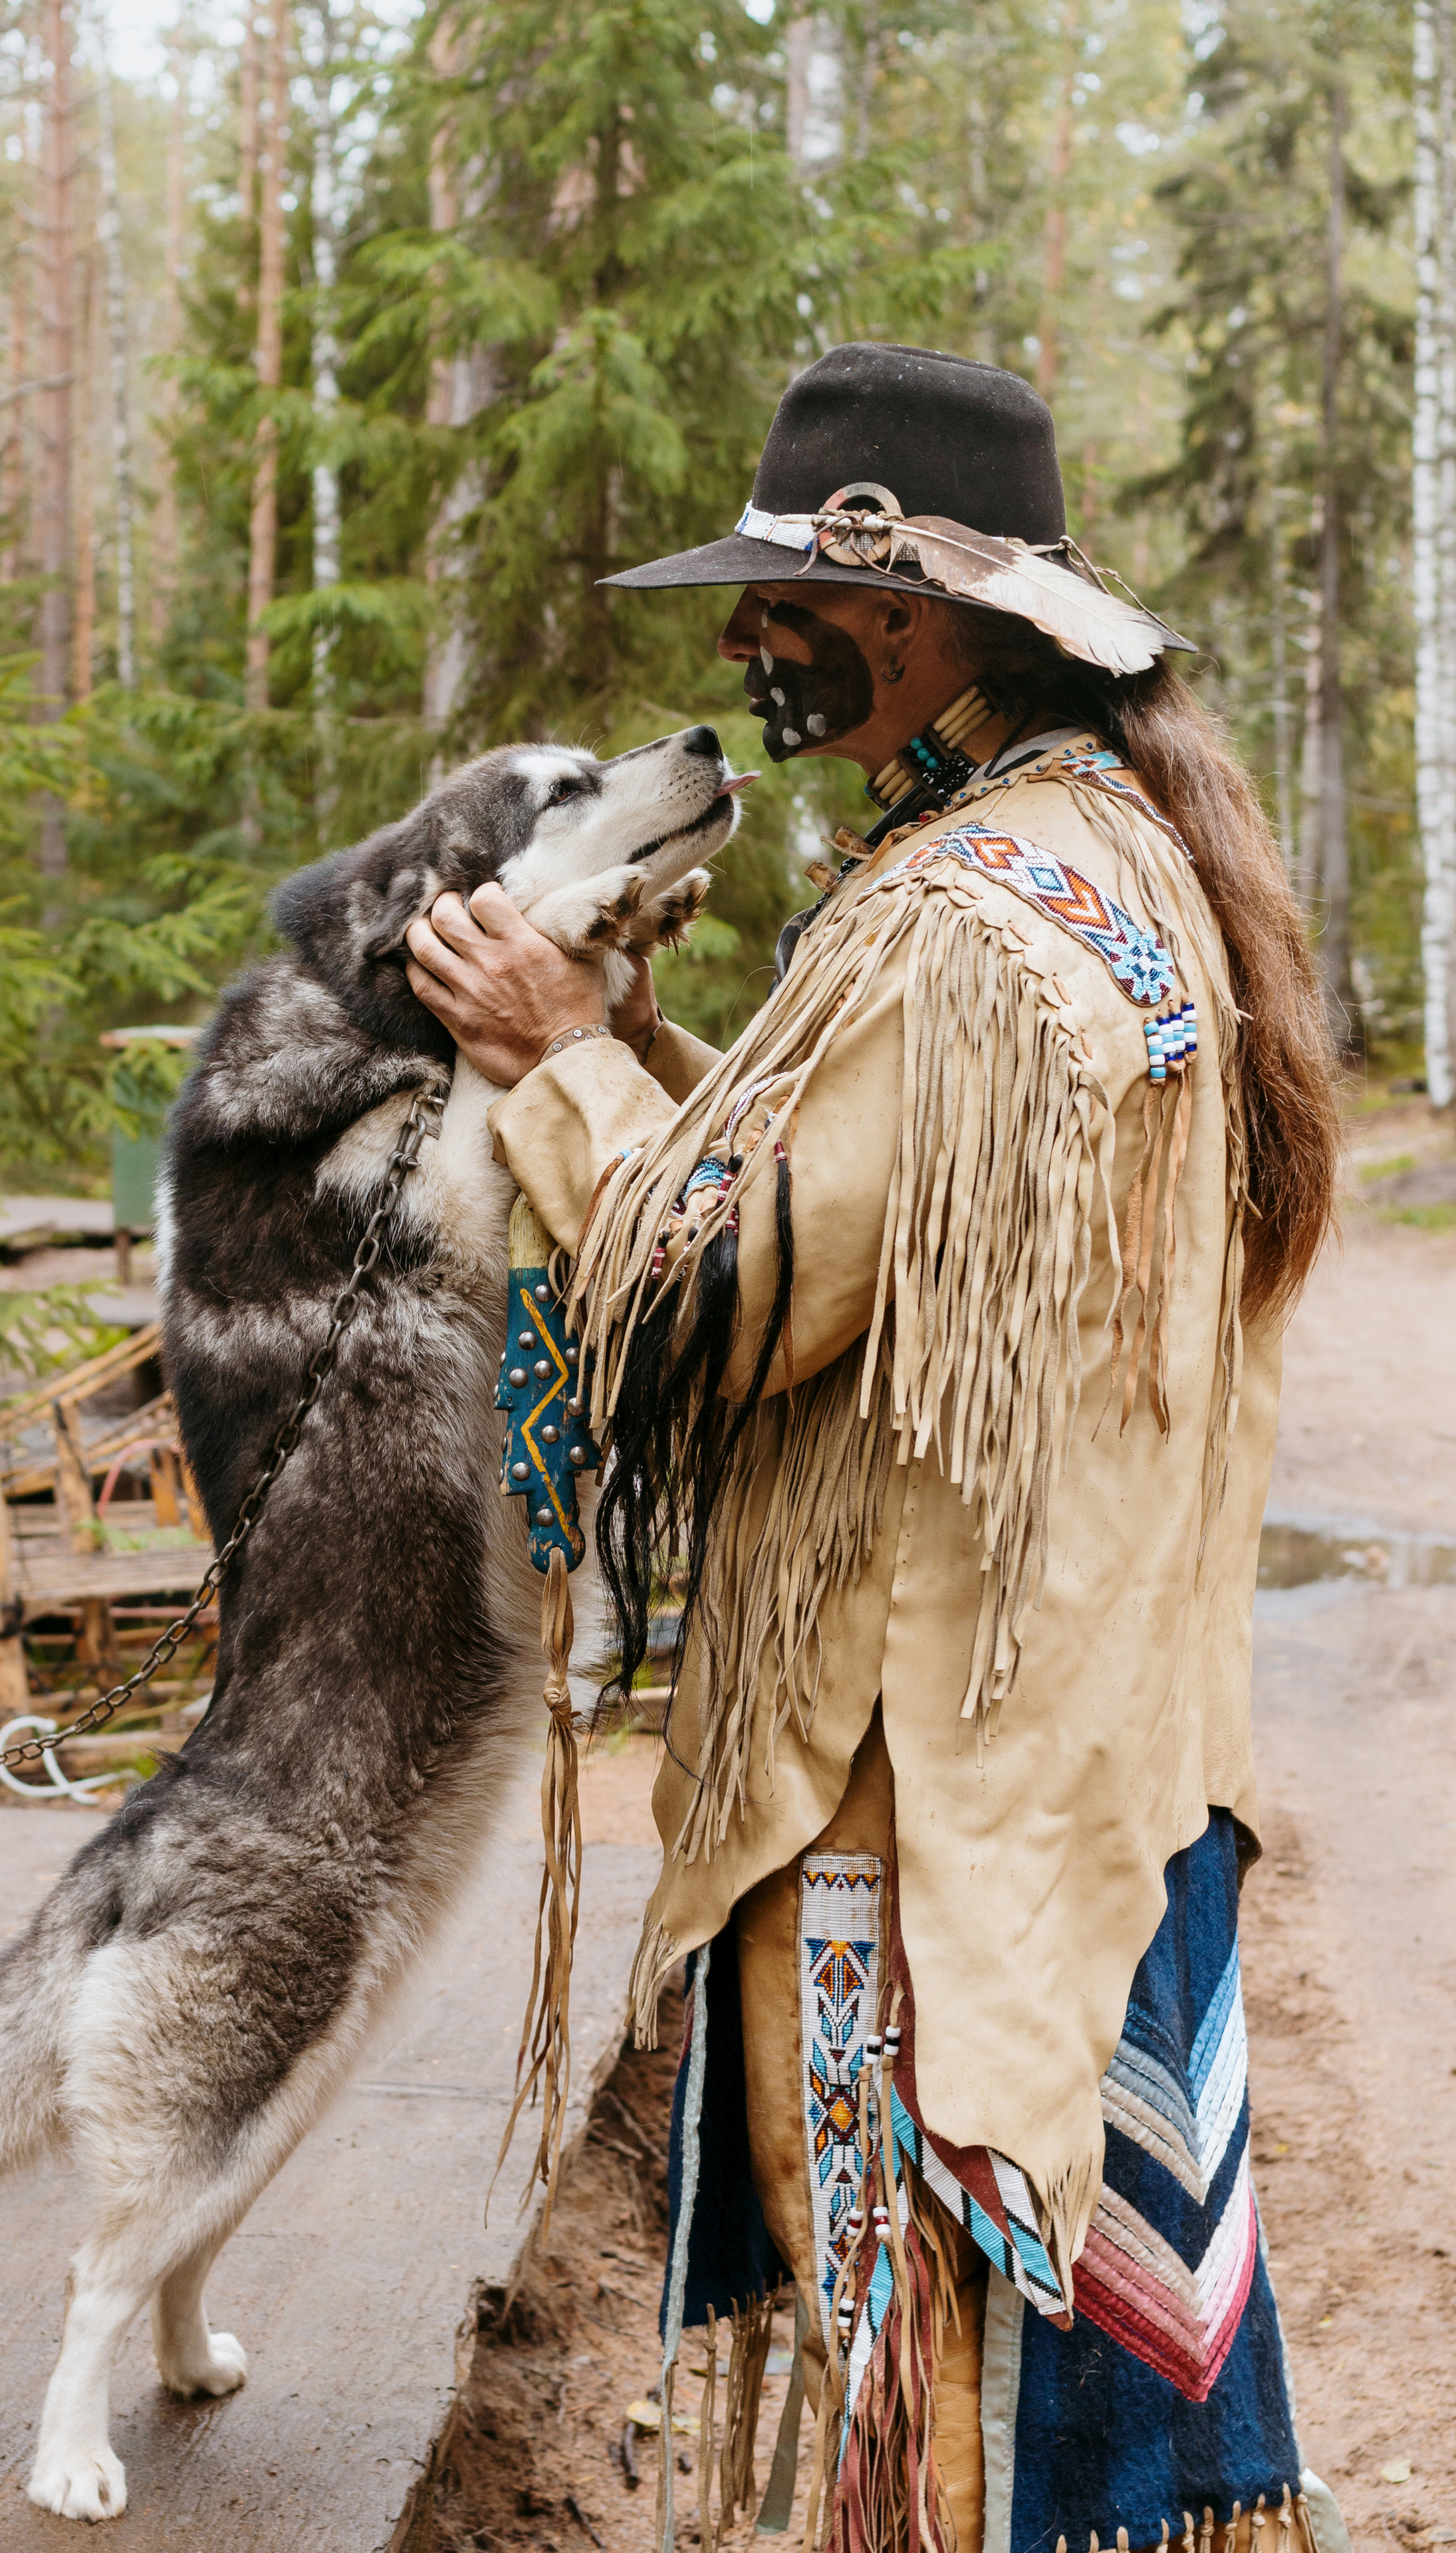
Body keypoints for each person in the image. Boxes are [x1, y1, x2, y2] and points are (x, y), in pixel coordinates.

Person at [406, 345, 1346, 2553]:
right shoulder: (1101, 855)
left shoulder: (944, 921)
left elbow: (732, 1300)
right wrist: (647, 1041)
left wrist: (555, 1066)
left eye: (785, 608)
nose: (748, 650)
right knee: (1086, 2372)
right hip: (1092, 1761)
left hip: (920, 1797)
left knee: (925, 2377)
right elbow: (898, 1214)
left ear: (917, 608)